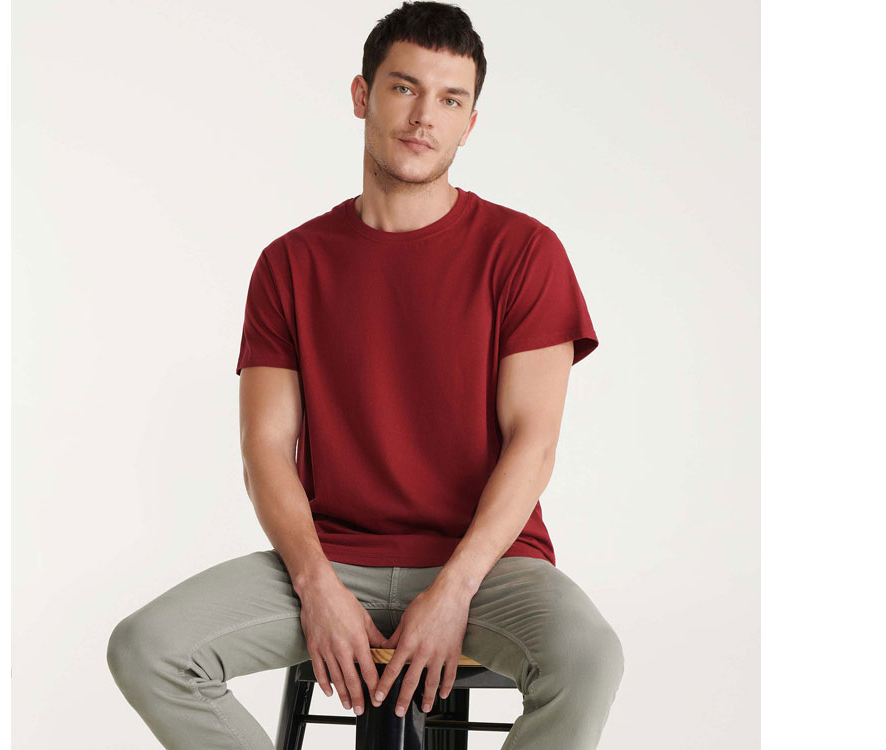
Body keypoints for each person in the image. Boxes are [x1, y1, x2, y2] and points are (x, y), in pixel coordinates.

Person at [107, 2, 624, 748]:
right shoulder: (290, 264)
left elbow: (533, 445)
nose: (424, 117)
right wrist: (315, 584)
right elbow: (265, 449)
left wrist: (454, 590)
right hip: (330, 558)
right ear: (362, 95)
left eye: (450, 100)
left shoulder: (523, 252)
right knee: (148, 647)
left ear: (470, 123)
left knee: (588, 658)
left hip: (489, 567)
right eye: (404, 88)